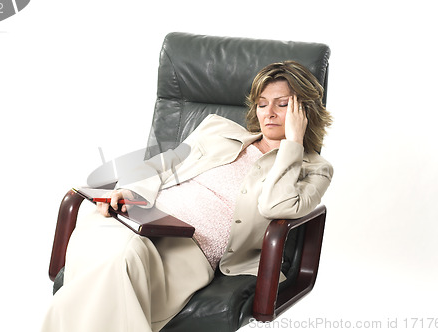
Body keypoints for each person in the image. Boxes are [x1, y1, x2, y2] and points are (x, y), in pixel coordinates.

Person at [41, 60, 333, 332]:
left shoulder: (313, 169)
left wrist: (292, 145)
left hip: (184, 248)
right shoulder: (217, 131)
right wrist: (131, 191)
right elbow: (163, 163)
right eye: (261, 104)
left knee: (123, 258)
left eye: (282, 105)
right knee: (108, 244)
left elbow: (276, 205)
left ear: (303, 111)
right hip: (138, 219)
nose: (268, 113)